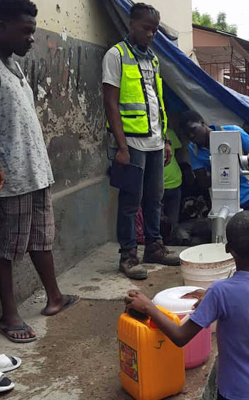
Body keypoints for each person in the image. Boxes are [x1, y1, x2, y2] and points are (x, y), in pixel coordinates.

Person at [125, 211, 249, 400]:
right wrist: (212, 299)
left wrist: (148, 307)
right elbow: (248, 300)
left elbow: (180, 337)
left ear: (228, 249)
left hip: (236, 392)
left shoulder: (221, 292)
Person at [0, 0, 79, 344]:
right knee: (6, 247)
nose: (32, 38)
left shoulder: (14, 67)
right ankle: (9, 314)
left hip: (35, 172)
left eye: (34, 31)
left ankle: (55, 297)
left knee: (41, 238)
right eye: (26, 31)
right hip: (10, 179)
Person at [102, 3, 180, 281]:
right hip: (132, 145)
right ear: (131, 24)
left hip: (156, 142)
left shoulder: (153, 59)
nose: (151, 35)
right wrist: (121, 147)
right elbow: (111, 104)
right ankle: (128, 255)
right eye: (146, 28)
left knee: (154, 199)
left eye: (155, 30)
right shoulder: (116, 56)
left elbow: (157, 102)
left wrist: (166, 140)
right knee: (129, 202)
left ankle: (154, 247)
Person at [179, 110, 249, 214]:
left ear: (202, 123)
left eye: (193, 130)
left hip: (246, 196)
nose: (192, 136)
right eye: (187, 134)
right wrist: (226, 171)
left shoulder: (233, 132)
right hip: (220, 201)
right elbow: (202, 181)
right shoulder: (193, 149)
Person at [162, 111, 183, 238]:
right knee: (172, 220)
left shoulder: (167, 134)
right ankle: (170, 242)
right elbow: (179, 153)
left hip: (170, 183)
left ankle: (163, 242)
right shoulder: (170, 133)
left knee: (157, 219)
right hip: (173, 181)